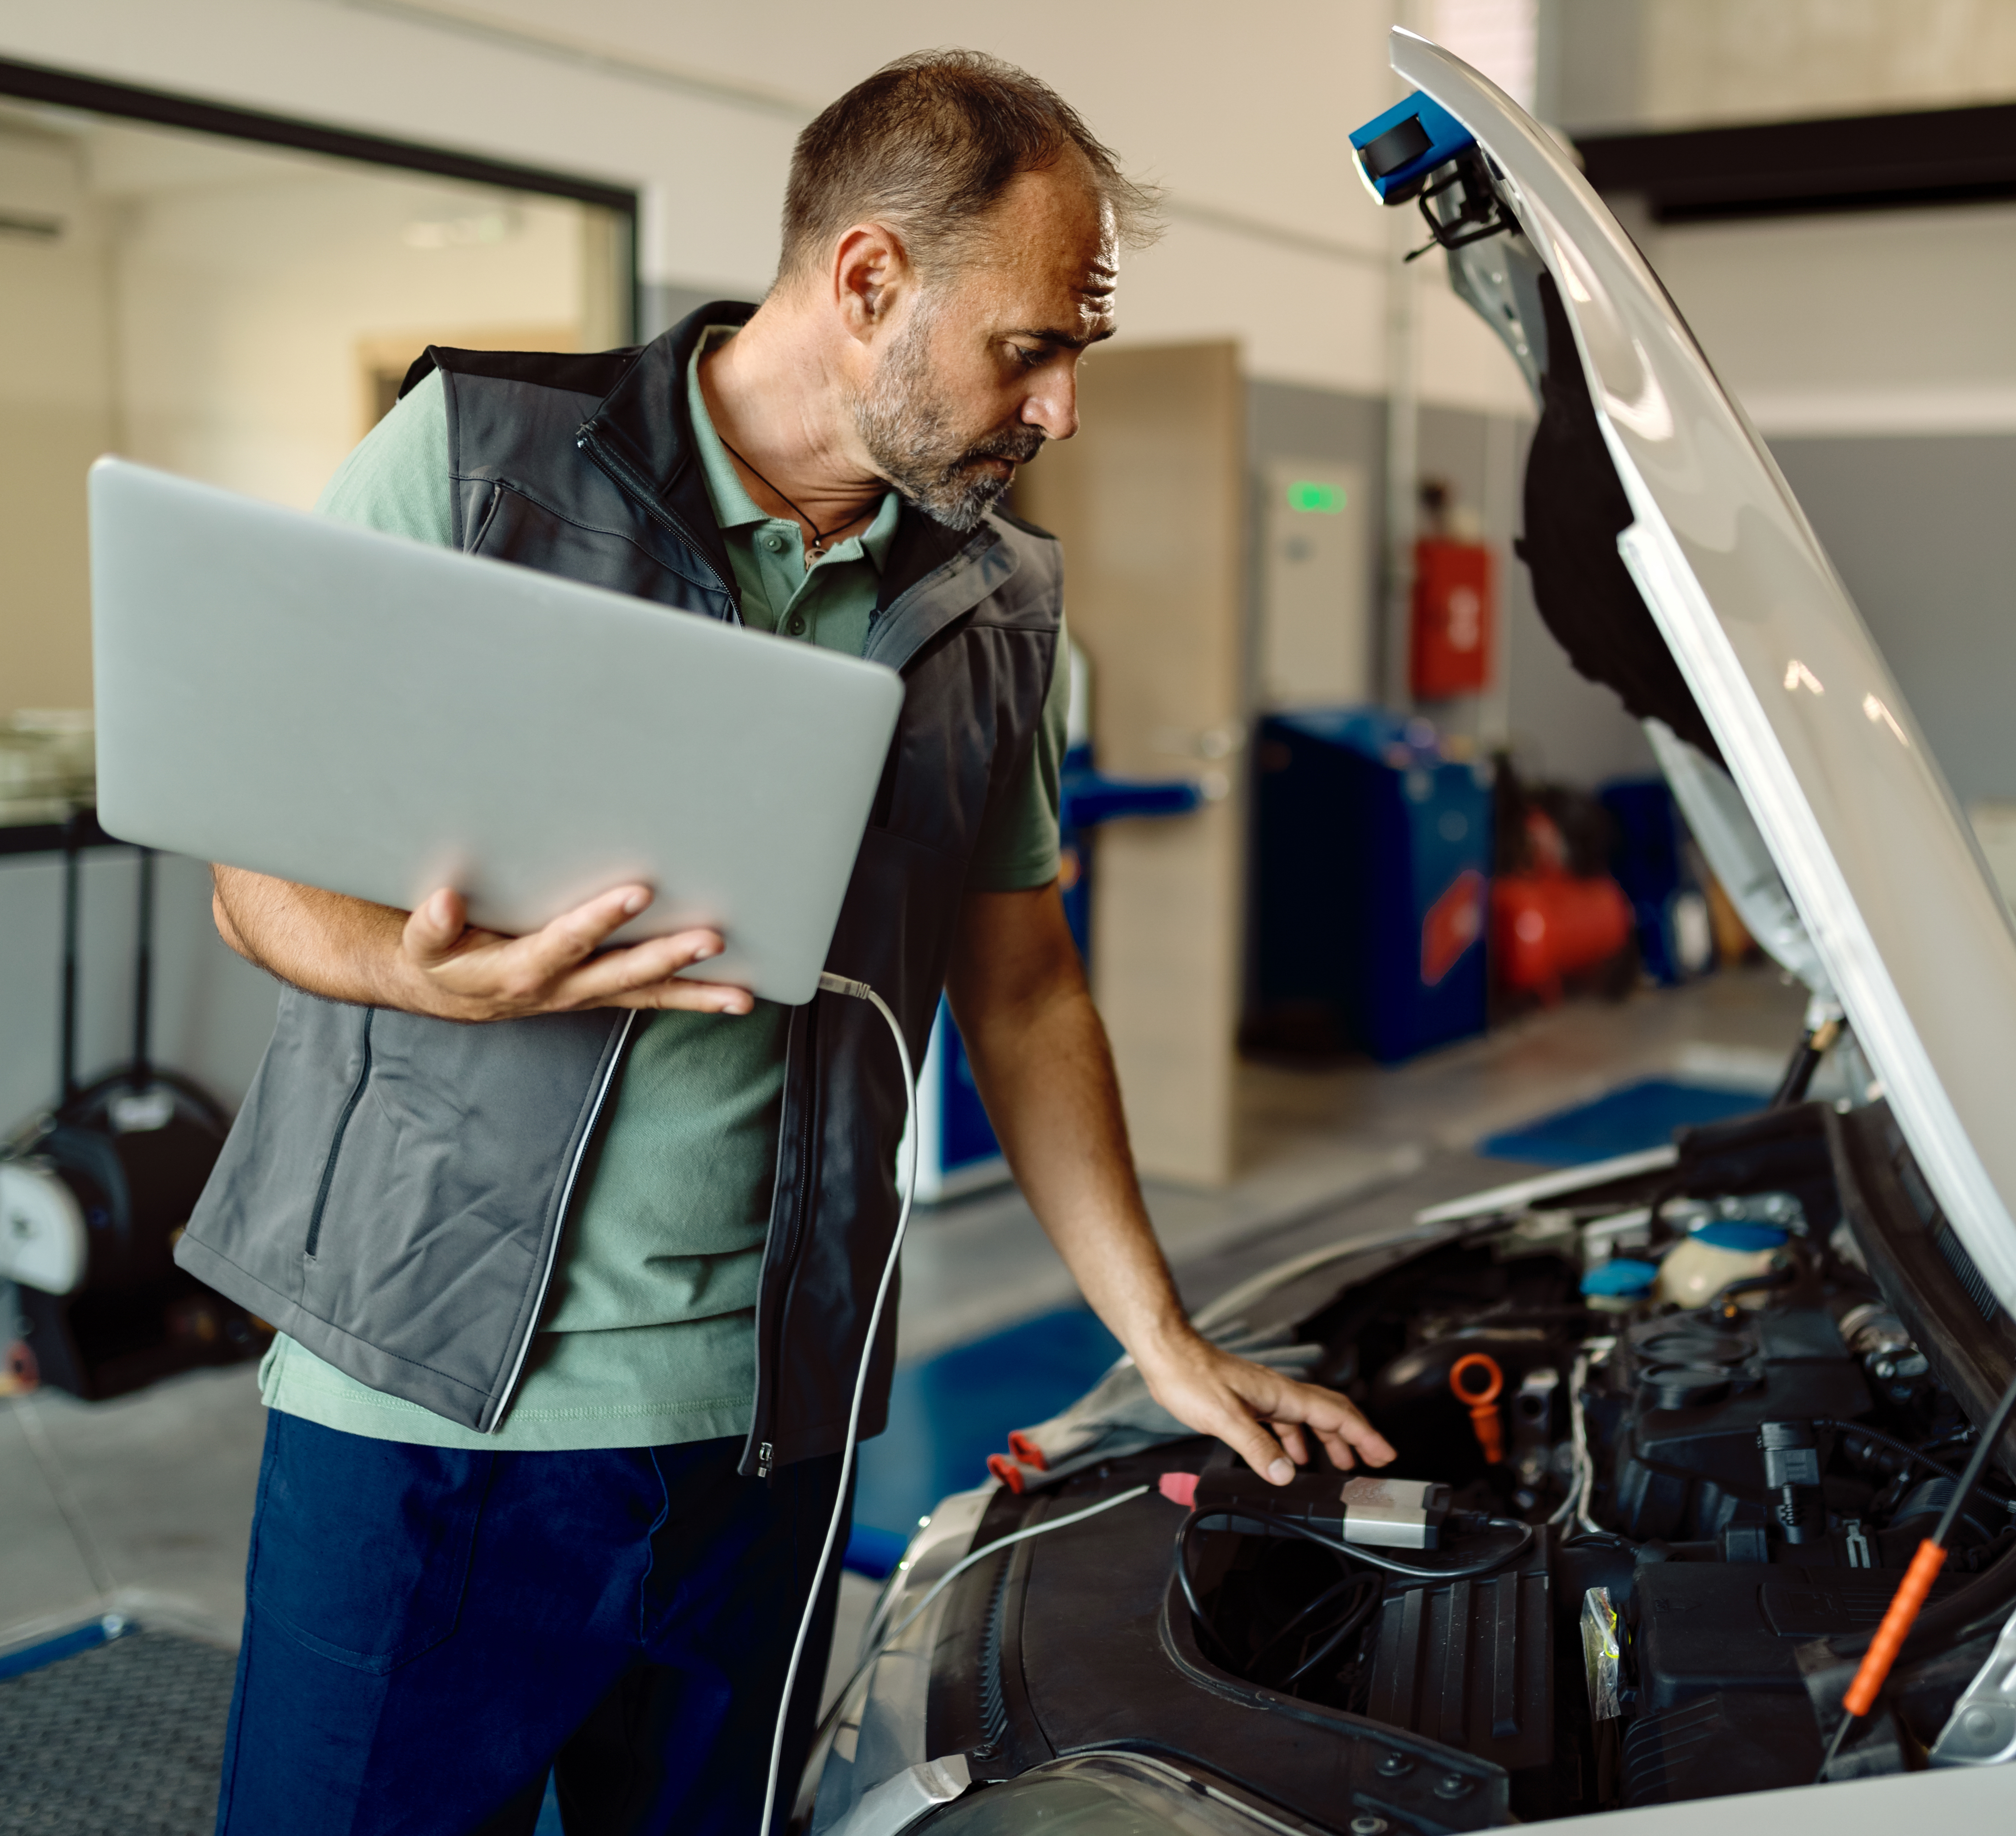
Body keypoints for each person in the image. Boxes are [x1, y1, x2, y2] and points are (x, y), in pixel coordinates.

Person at [177, 50, 1395, 1836]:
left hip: (769, 1436)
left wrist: (1163, 1334)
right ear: (870, 281)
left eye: (1080, 356)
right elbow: (256, 873)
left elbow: (1027, 984)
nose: (1059, 410)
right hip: (429, 1416)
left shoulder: (994, 603)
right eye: (1031, 348)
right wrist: (411, 970)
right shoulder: (479, 459)